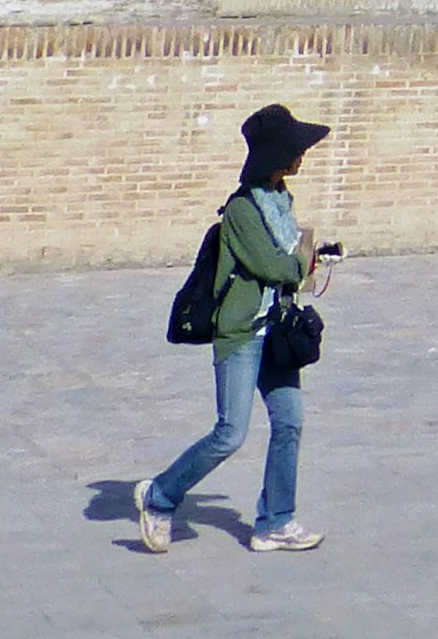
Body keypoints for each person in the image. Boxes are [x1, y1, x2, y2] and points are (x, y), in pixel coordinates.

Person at [138, 103, 330, 554]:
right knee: (230, 433)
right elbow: (272, 264)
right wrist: (301, 261)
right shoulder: (243, 209)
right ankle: (159, 496)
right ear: (277, 156)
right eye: (296, 150)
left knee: (290, 423)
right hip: (242, 334)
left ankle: (275, 522)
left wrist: (307, 260)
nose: (302, 156)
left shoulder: (281, 199)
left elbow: (290, 261)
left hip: (277, 331)